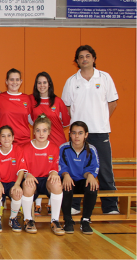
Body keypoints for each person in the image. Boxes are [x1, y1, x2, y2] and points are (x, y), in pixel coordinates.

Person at [62, 45, 119, 214]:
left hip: (100, 131)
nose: (84, 59)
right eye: (81, 57)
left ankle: (110, 207)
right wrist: (77, 130)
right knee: (76, 170)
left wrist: (100, 120)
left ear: (94, 58)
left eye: (88, 56)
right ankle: (74, 205)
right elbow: (66, 107)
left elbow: (112, 103)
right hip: (77, 135)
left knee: (105, 170)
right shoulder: (72, 81)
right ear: (77, 61)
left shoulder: (105, 78)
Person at [20, 114, 64, 236]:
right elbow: (22, 169)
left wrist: (55, 173)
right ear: (33, 131)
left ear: (49, 132)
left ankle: (55, 220)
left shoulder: (54, 148)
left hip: (46, 179)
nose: (41, 133)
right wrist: (27, 175)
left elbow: (54, 168)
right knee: (28, 185)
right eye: (38, 130)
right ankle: (28, 219)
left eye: (44, 130)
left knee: (57, 184)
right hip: (32, 179)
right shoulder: (26, 148)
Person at [60, 121, 99, 235]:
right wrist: (65, 175)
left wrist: (91, 175)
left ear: (86, 134)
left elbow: (94, 166)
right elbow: (60, 165)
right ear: (70, 134)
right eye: (74, 133)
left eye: (80, 133)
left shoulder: (91, 149)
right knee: (66, 186)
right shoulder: (63, 148)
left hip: (82, 180)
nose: (77, 136)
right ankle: (68, 220)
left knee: (92, 186)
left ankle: (86, 220)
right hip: (68, 179)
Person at [0, 125, 25, 232]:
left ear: (13, 137)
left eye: (9, 136)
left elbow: (21, 170)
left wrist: (17, 184)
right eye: (3, 136)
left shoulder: (18, 150)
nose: (6, 139)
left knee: (17, 192)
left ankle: (13, 218)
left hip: (13, 182)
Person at [31, 72, 70, 146]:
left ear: (49, 84)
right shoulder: (31, 100)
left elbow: (66, 123)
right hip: (39, 144)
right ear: (36, 85)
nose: (42, 85)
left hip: (57, 143)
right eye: (39, 83)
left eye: (44, 82)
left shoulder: (58, 101)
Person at [0, 68, 32, 147]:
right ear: (6, 81)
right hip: (4, 143)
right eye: (11, 79)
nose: (15, 82)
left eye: (17, 80)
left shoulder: (27, 98)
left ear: (21, 81)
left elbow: (32, 121)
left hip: (23, 142)